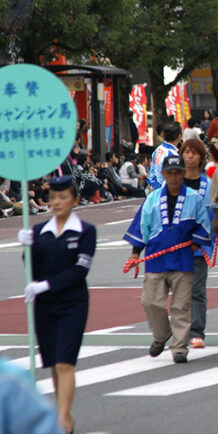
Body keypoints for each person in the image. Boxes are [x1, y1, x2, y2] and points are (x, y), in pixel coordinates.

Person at [17, 175, 95, 434]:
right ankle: (66, 416)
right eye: (53, 198)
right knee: (53, 362)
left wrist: (45, 285)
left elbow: (79, 271)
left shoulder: (86, 231)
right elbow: (32, 269)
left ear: (75, 200)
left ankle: (60, 421)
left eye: (63, 197)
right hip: (45, 306)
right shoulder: (40, 231)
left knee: (65, 363)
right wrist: (27, 249)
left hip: (72, 304)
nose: (57, 202)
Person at [123, 155, 212, 364]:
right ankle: (162, 335)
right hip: (156, 259)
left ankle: (179, 347)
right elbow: (141, 227)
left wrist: (196, 243)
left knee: (181, 307)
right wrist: (135, 253)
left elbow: (204, 225)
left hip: (182, 259)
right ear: (163, 174)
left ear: (183, 174)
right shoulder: (152, 199)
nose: (174, 177)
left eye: (178, 173)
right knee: (150, 302)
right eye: (170, 173)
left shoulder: (194, 199)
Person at [179, 138, 213, 350]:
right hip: (175, 247)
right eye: (186, 152)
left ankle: (196, 332)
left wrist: (201, 241)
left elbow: (212, 218)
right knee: (177, 291)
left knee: (197, 290)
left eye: (194, 152)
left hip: (198, 248)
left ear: (201, 158)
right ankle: (178, 331)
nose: (190, 156)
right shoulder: (174, 182)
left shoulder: (209, 186)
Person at [148, 121, 181, 191]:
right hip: (163, 191)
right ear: (179, 136)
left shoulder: (158, 149)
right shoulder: (173, 154)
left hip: (153, 187)